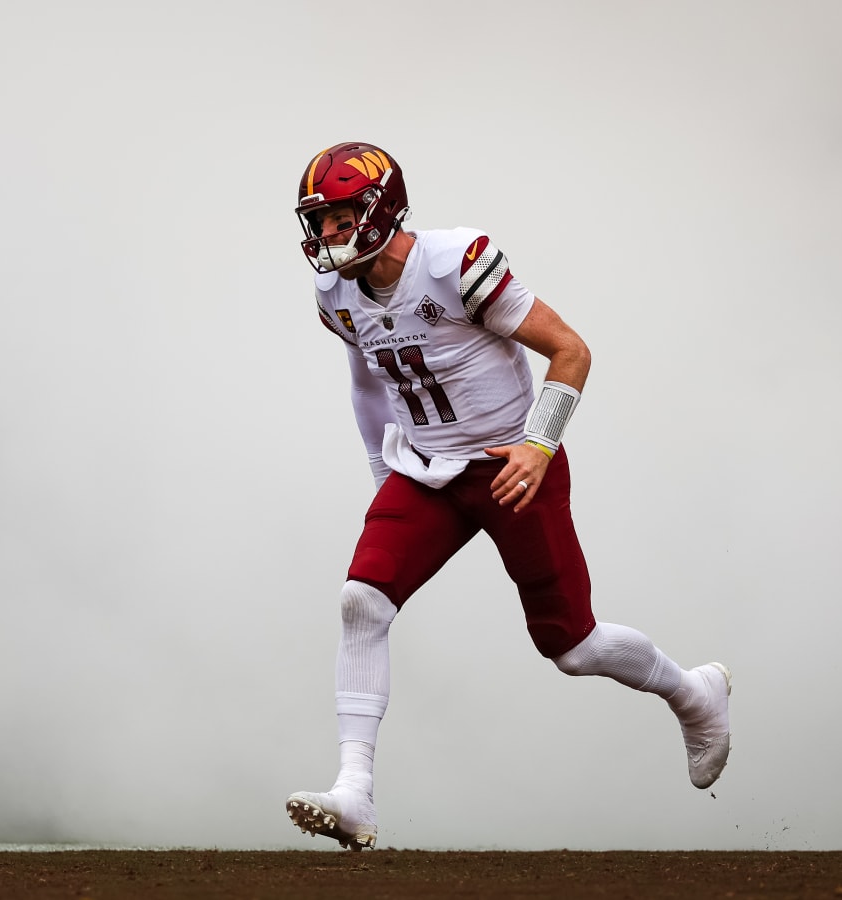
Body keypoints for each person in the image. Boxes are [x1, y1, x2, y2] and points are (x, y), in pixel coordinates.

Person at [284, 142, 731, 851]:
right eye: (321, 223)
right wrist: (382, 477)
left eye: (340, 219)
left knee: (572, 646)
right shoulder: (335, 297)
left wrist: (538, 442)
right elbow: (368, 383)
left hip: (508, 463)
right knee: (361, 600)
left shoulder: (454, 262)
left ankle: (692, 691)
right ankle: (355, 793)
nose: (328, 237)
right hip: (425, 468)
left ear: (379, 210)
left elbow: (570, 350)